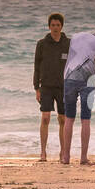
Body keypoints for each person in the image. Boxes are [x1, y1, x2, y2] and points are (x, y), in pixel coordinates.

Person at [60, 25, 95, 165]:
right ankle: (83, 158)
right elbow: (93, 60)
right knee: (85, 119)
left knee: (69, 118)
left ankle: (66, 157)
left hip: (69, 76)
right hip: (88, 79)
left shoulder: (76, 35)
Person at [34, 13, 70, 162]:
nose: (55, 28)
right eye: (53, 25)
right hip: (46, 87)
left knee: (63, 119)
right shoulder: (42, 43)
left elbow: (74, 64)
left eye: (58, 25)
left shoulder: (68, 43)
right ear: (49, 26)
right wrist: (37, 88)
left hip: (63, 87)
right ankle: (43, 152)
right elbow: (36, 66)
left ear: (61, 26)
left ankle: (63, 152)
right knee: (45, 118)